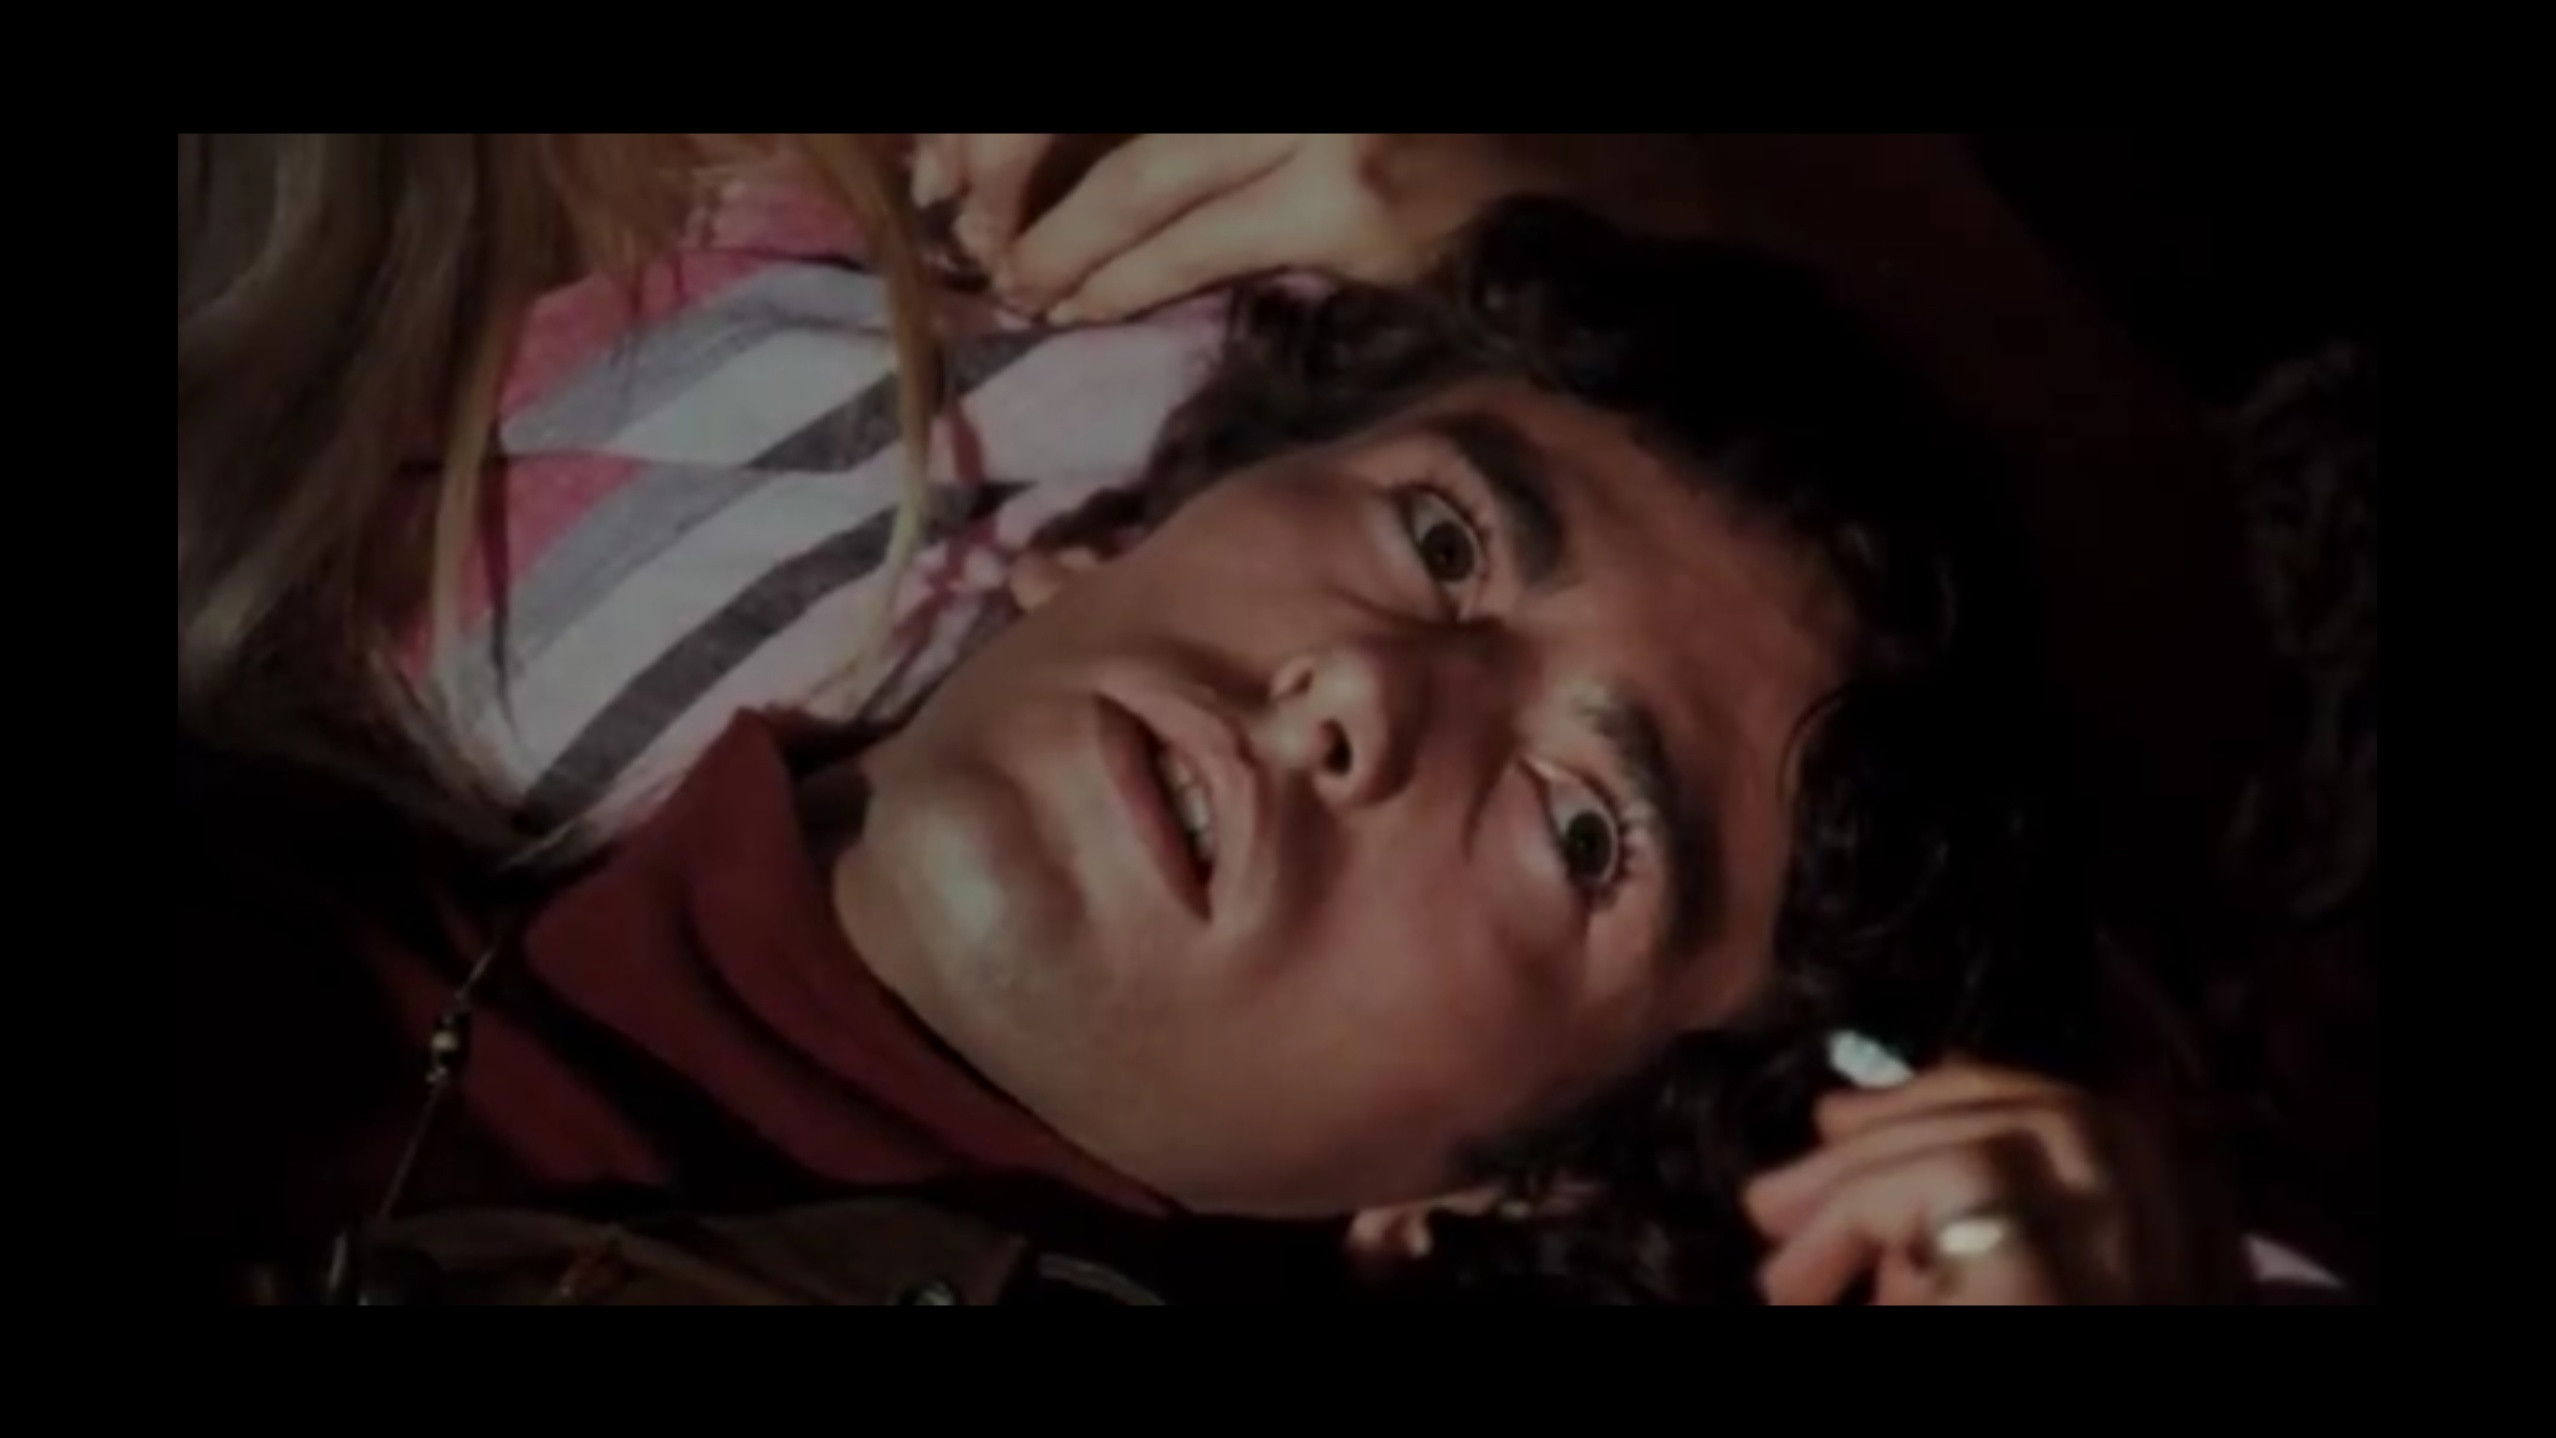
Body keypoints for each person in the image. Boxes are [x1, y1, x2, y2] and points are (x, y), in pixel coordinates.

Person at [179, 179, 2249, 1302]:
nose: (1365, 695)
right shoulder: (282, 877)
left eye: (1584, 826)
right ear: (1101, 537)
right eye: (1441, 542)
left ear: (1518, 1188)